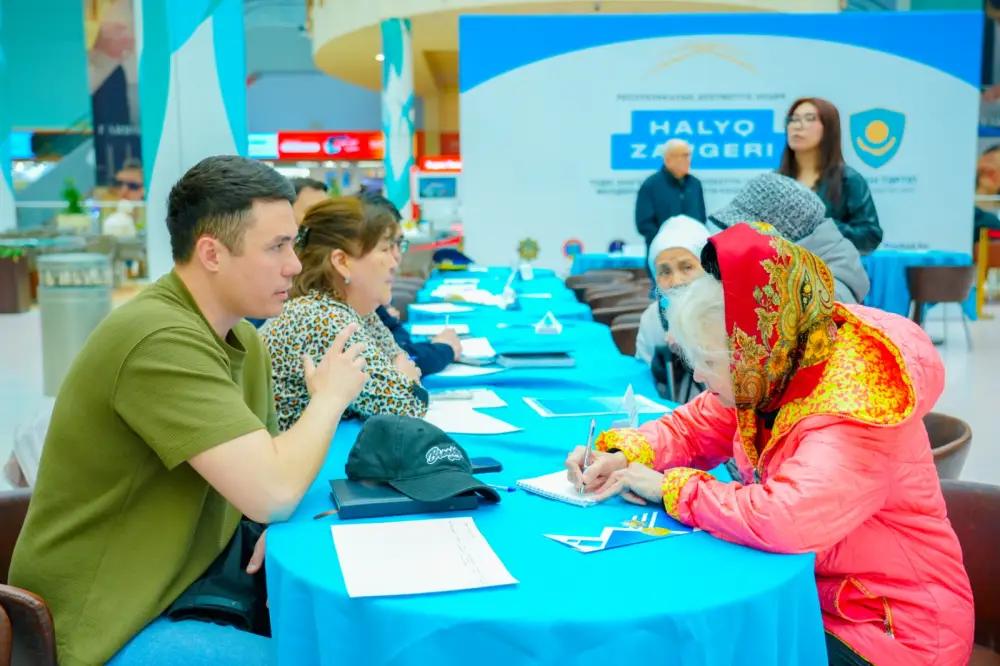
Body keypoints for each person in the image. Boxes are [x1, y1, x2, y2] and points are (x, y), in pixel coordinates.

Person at [9, 156, 370, 666]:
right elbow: (272, 491)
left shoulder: (241, 335)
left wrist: (271, 509)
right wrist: (330, 397)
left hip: (189, 589)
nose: (294, 264)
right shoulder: (158, 339)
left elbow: (267, 480)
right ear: (211, 253)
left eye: (293, 242)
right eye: (276, 246)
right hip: (106, 624)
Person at [565, 222, 973, 665]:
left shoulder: (855, 405)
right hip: (823, 596)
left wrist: (670, 488)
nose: (698, 377)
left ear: (750, 353)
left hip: (892, 630)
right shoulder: (776, 362)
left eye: (707, 362)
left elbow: (784, 517)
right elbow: (694, 428)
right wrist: (623, 453)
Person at [262, 197, 429, 430]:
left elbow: (400, 363)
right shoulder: (319, 318)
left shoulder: (354, 310)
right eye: (384, 249)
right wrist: (407, 381)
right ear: (341, 261)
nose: (394, 262)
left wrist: (405, 379)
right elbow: (408, 405)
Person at [709, 172, 870, 304]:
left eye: (745, 233)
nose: (736, 241)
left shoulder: (821, 299)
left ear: (782, 239)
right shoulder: (795, 271)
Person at [356, 190, 463, 375]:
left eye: (398, 244)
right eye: (385, 247)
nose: (396, 257)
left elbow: (399, 342)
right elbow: (399, 363)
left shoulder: (365, 301)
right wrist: (443, 349)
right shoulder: (332, 315)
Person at [779, 97, 882, 255]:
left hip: (831, 273)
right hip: (780, 273)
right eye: (793, 119)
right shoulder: (775, 181)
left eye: (809, 119)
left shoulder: (848, 179)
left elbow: (870, 236)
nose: (797, 127)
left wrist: (822, 226)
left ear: (828, 128)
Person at [635, 214, 710, 364]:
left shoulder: (730, 315)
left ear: (709, 269)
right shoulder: (652, 320)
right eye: (665, 272)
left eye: (687, 267)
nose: (676, 282)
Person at [635, 138, 707, 259]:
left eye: (689, 155)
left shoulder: (695, 184)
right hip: (662, 254)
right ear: (669, 160)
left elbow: (701, 218)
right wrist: (667, 241)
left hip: (692, 253)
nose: (688, 160)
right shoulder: (651, 185)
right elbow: (644, 223)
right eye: (684, 156)